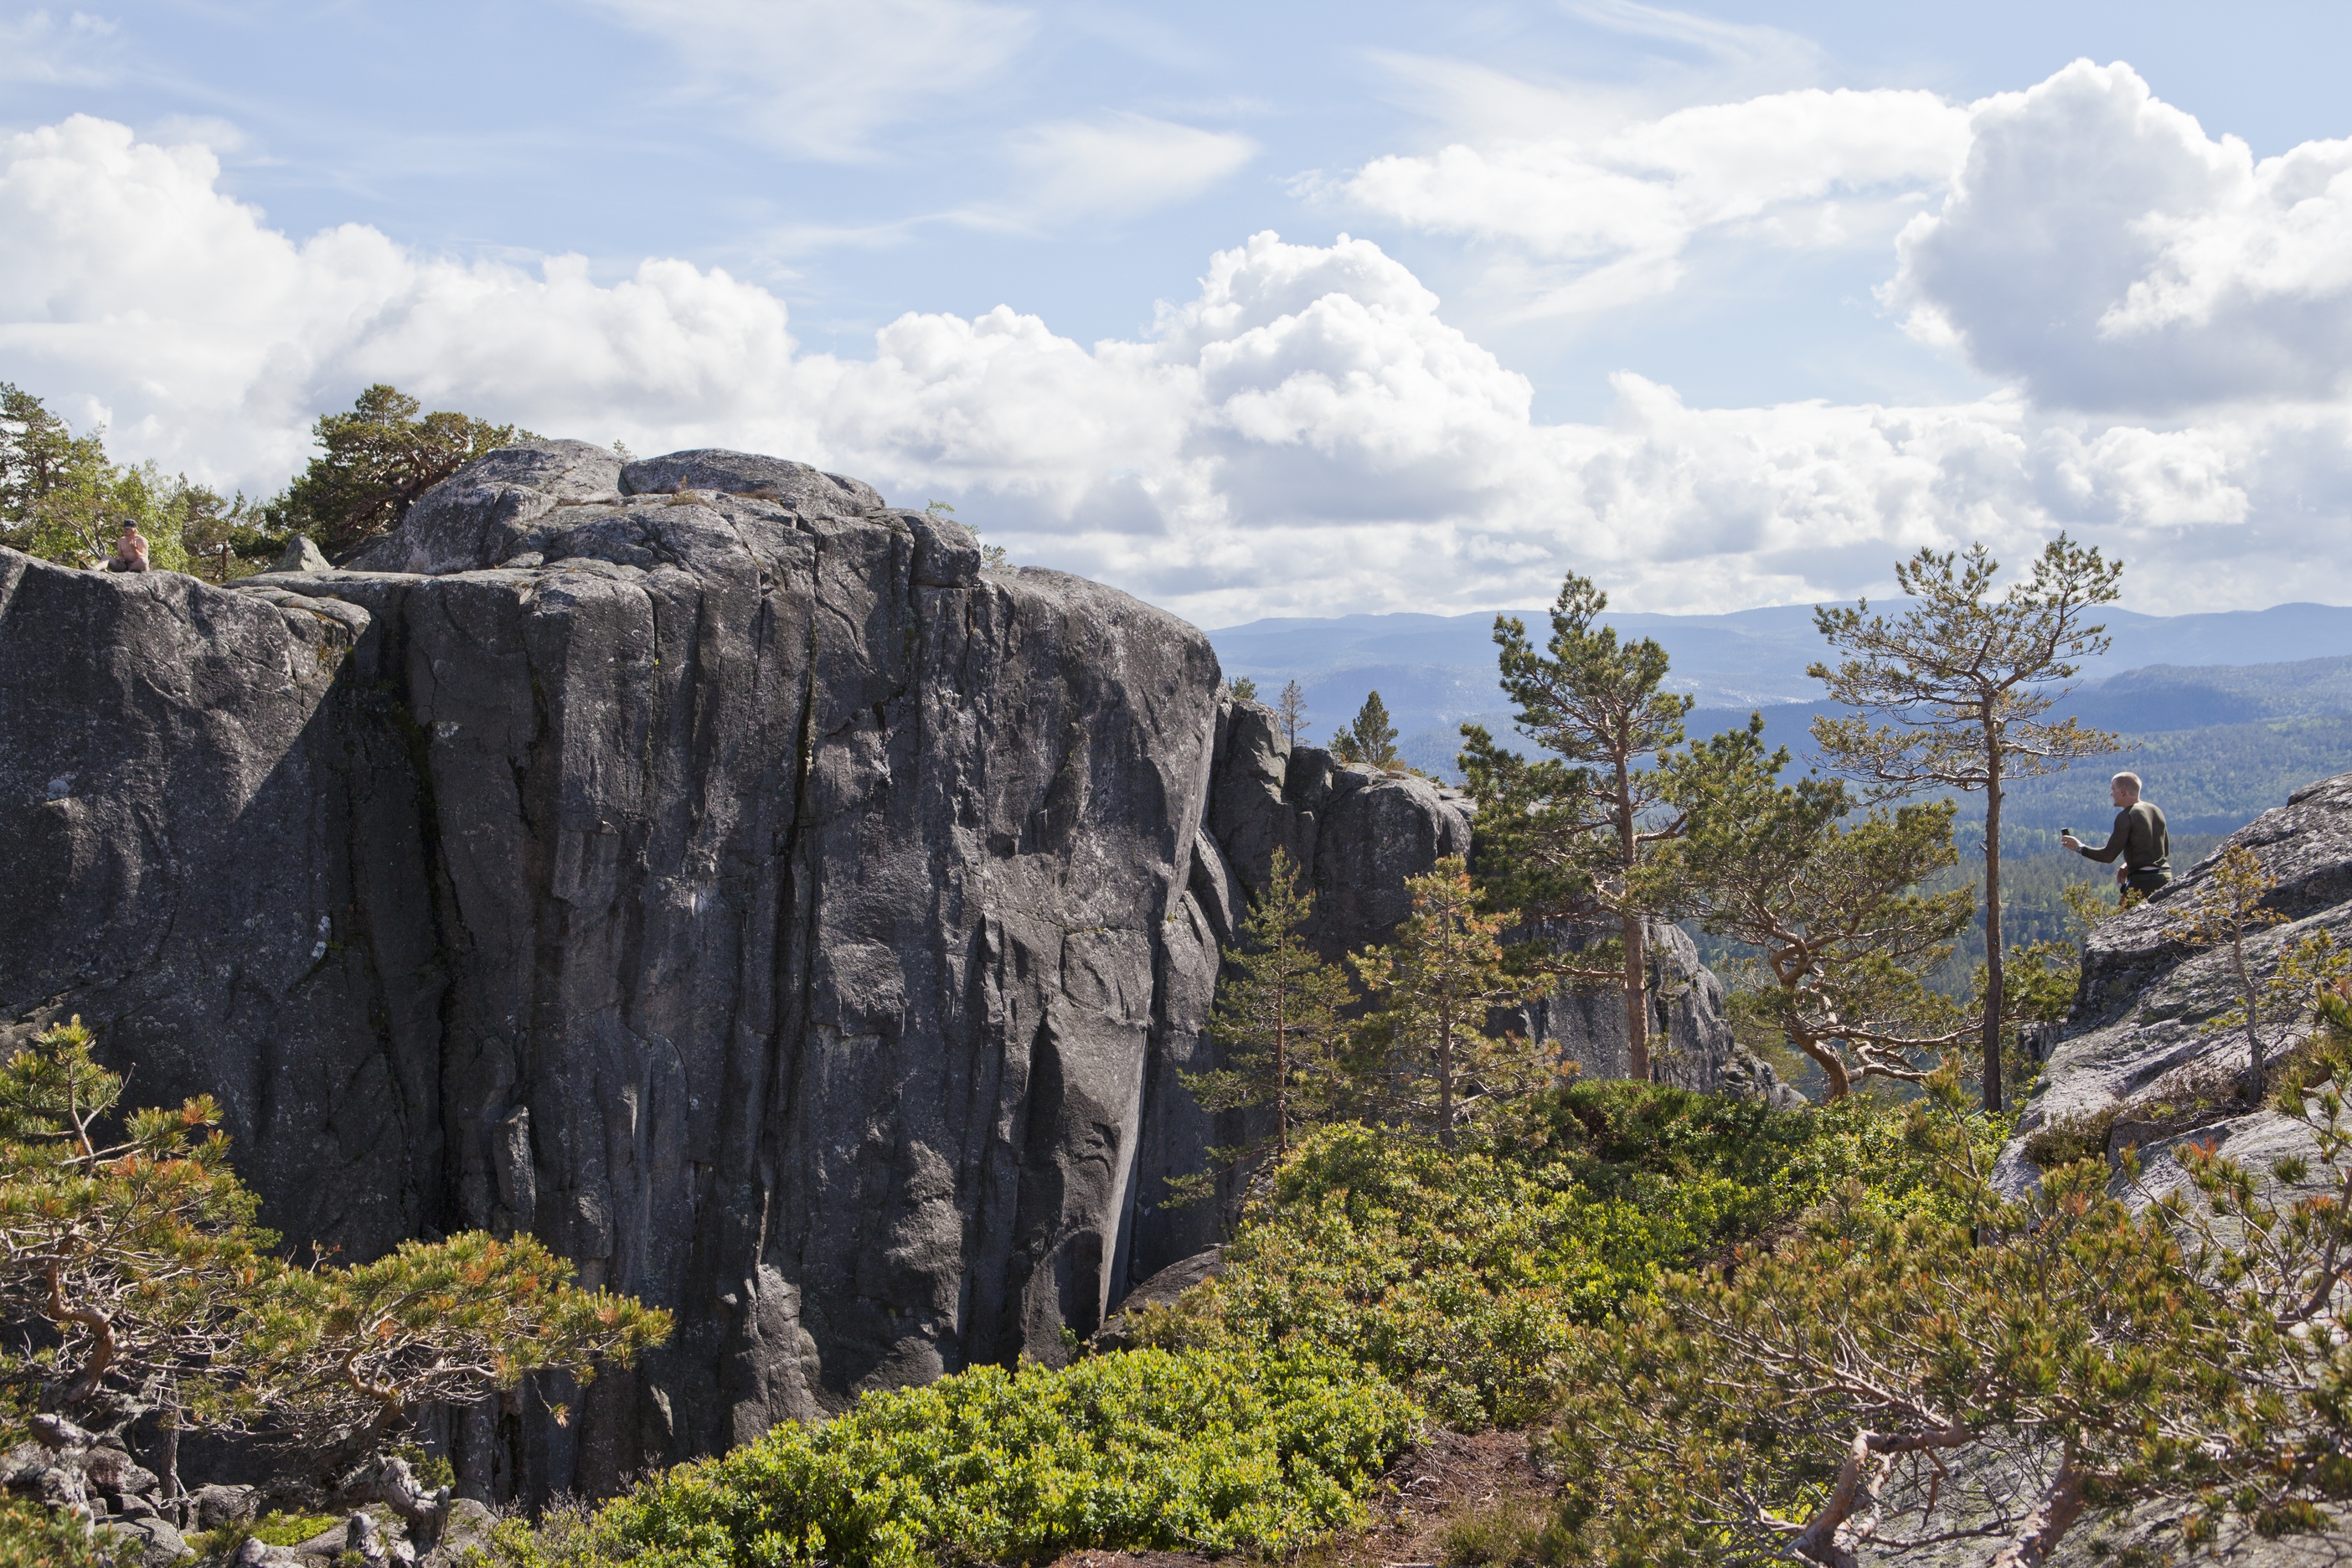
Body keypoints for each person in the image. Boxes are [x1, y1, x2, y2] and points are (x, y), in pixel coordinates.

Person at [2061, 771, 2170, 901]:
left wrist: (2079, 847)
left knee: (2126, 915)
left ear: (2122, 791)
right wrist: (2129, 864)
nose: (2111, 794)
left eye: (2113, 789)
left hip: (2142, 882)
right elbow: (2164, 851)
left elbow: (2108, 856)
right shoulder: (2156, 810)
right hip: (2165, 878)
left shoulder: (2126, 816)